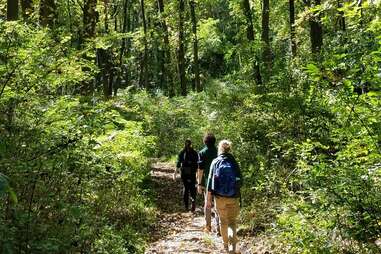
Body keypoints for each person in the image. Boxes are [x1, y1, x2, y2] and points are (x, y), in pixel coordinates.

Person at [206, 140, 242, 254]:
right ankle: (233, 247)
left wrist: (208, 200)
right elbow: (241, 180)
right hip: (233, 196)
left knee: (223, 221)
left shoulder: (215, 161)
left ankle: (226, 246)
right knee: (232, 221)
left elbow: (210, 182)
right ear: (229, 149)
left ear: (220, 149)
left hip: (219, 197)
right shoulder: (233, 161)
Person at [197, 132, 219, 233]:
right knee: (218, 204)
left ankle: (208, 226)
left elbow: (200, 169)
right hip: (219, 182)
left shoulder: (202, 153)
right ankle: (219, 227)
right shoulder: (219, 152)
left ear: (205, 142)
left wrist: (199, 183)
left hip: (208, 182)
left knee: (208, 203)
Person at [175, 139, 199, 212]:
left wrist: (175, 173)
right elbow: (198, 164)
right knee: (192, 187)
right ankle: (193, 200)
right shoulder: (195, 153)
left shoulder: (182, 152)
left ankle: (186, 207)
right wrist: (198, 174)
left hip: (185, 171)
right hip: (192, 172)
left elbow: (178, 163)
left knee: (185, 188)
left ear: (184, 144)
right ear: (191, 144)